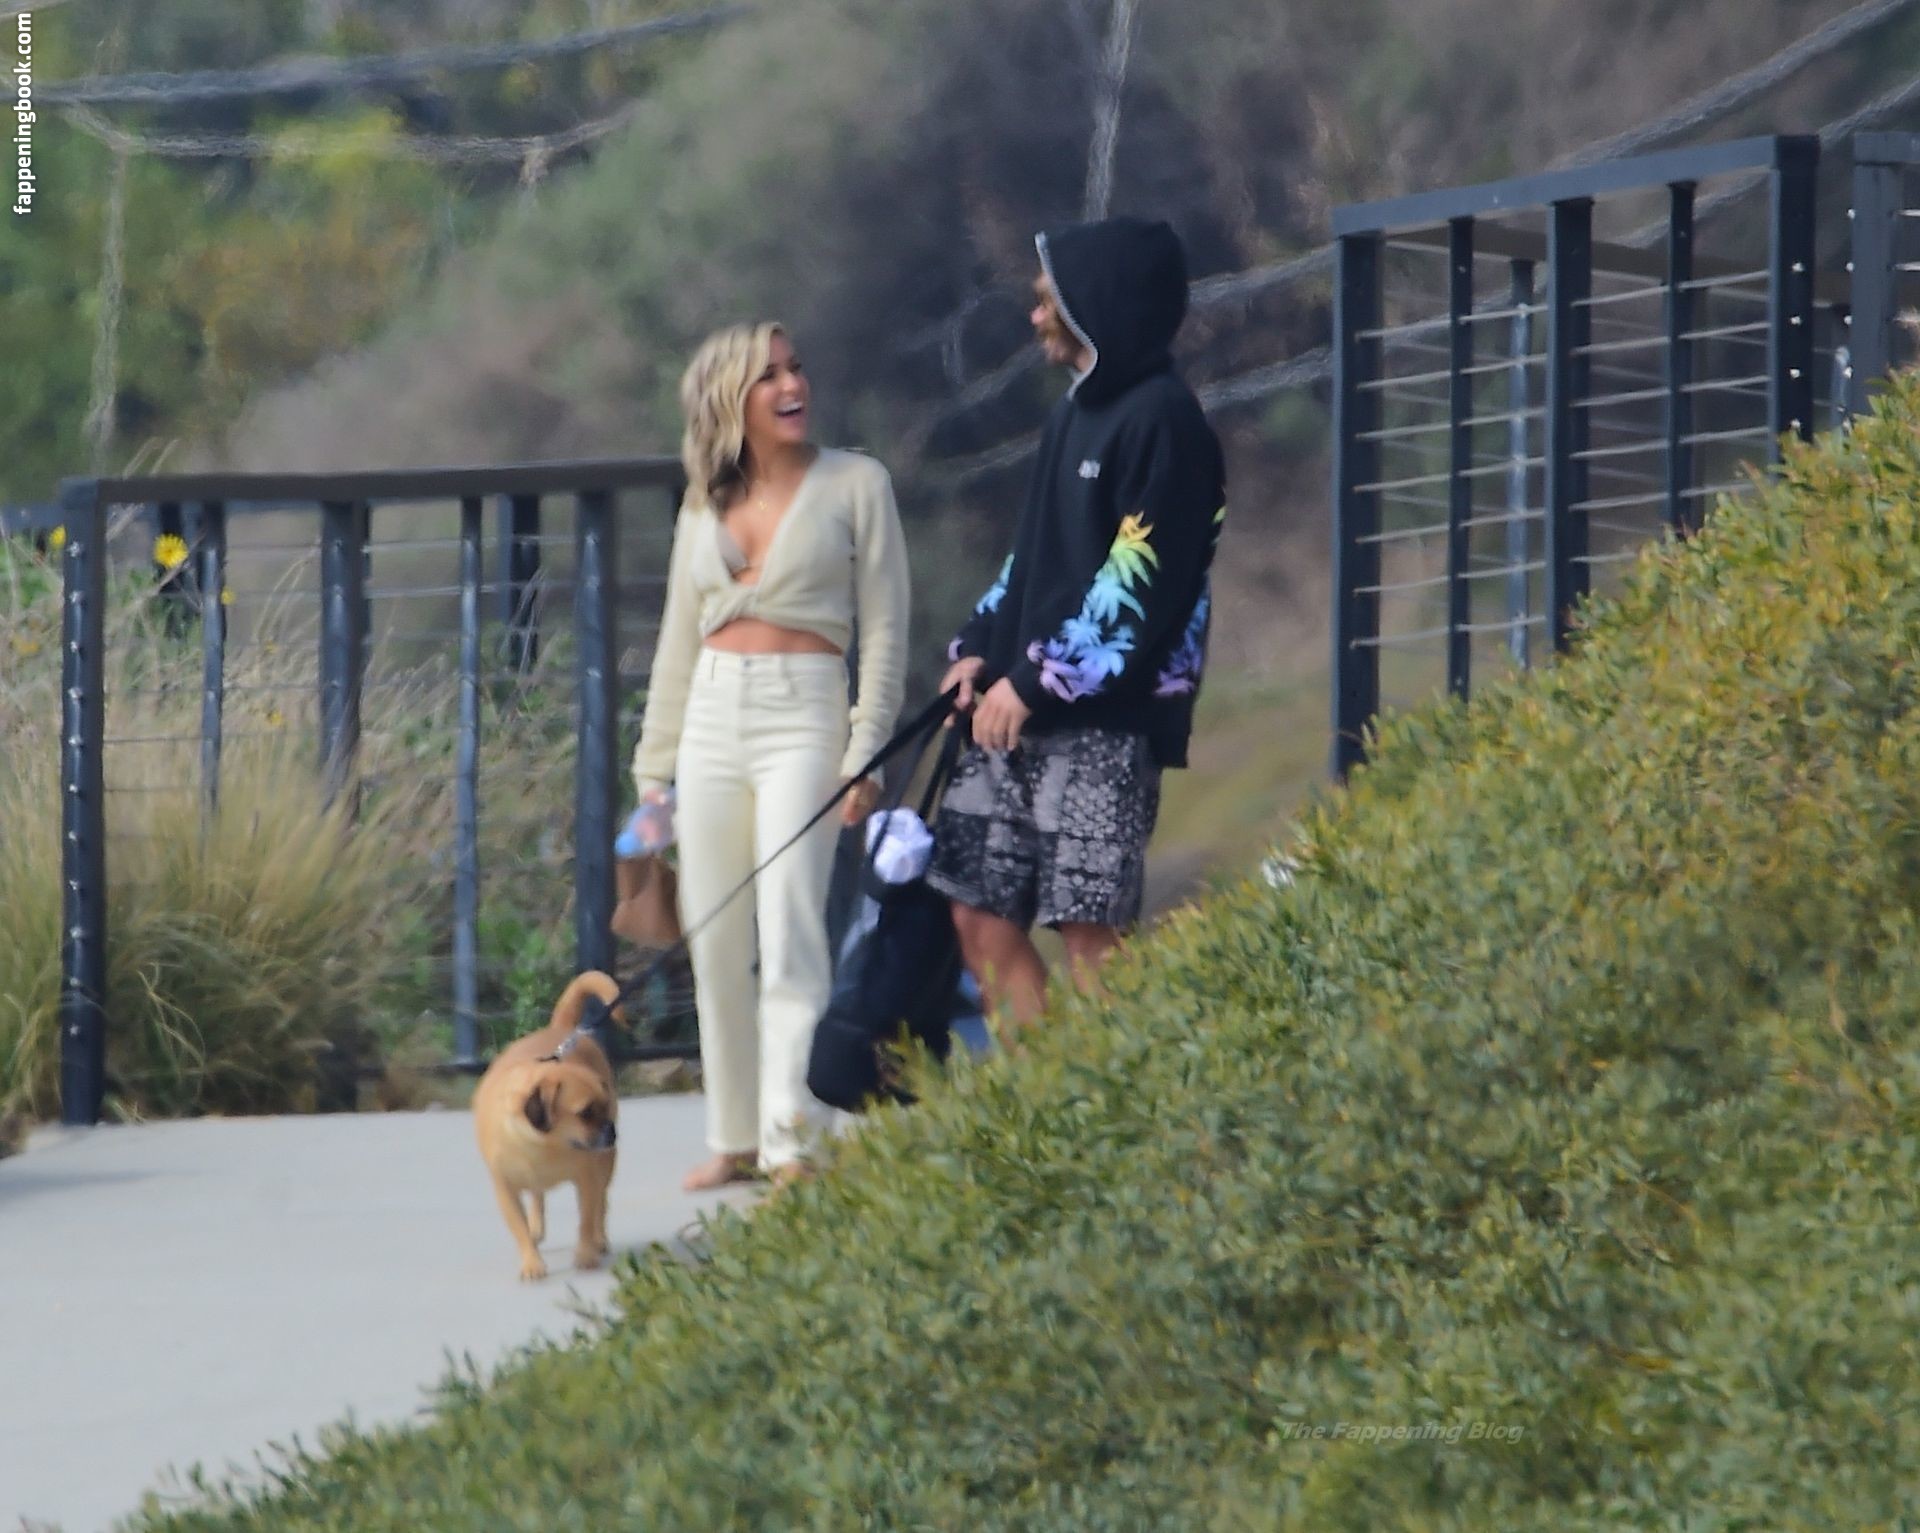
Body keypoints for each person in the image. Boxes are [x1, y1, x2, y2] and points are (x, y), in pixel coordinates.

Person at [926, 215, 1226, 1029]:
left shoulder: (1166, 422)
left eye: (1046, 301)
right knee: (976, 914)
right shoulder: (1071, 414)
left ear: (1100, 304)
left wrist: (1035, 682)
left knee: (1091, 934)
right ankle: (1039, 1090)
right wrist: (976, 649)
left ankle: (1108, 1095)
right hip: (1009, 714)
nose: (1034, 316)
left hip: (1104, 727)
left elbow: (1140, 585)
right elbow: (1033, 560)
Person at [631, 322, 911, 1189]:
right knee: (714, 935)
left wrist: (866, 752)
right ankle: (735, 1135)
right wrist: (652, 775)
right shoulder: (700, 503)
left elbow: (886, 628)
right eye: (769, 376)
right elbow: (677, 642)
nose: (793, 386)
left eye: (796, 369)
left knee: (792, 927)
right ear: (729, 399)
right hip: (711, 718)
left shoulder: (858, 483)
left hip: (806, 714)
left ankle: (796, 1140)